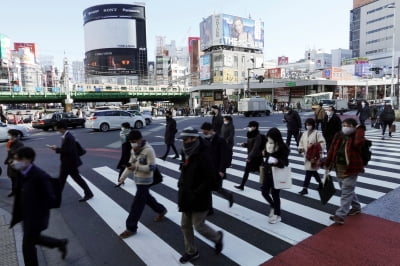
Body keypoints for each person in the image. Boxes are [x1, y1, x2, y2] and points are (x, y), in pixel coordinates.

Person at [10, 147, 68, 266]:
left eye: (19, 159)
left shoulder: (40, 176)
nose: (15, 162)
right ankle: (60, 243)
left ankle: (60, 243)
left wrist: (35, 209)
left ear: (29, 159)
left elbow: (50, 198)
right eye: (15, 159)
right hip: (26, 216)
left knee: (28, 247)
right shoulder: (21, 172)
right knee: (34, 240)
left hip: (36, 219)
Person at [177, 127, 223, 263]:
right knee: (185, 225)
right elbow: (184, 170)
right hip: (186, 193)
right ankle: (191, 251)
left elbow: (210, 178)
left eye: (186, 139)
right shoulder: (185, 151)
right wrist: (181, 184)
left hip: (199, 196)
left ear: (194, 138)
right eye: (183, 139)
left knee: (198, 225)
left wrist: (196, 192)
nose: (184, 142)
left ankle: (217, 238)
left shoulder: (204, 154)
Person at [119, 130, 167, 238]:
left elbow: (152, 167)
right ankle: (161, 210)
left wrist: (136, 167)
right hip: (138, 180)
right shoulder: (133, 150)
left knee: (137, 205)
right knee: (147, 198)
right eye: (131, 142)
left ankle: (131, 228)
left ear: (140, 139)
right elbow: (130, 165)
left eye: (134, 141)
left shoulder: (148, 150)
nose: (133, 144)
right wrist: (122, 177)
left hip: (146, 181)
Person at [324, 118, 365, 225]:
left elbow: (358, 143)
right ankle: (356, 207)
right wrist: (327, 164)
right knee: (347, 189)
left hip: (351, 168)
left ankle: (340, 215)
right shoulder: (339, 135)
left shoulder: (356, 136)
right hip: (339, 167)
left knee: (346, 191)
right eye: (343, 125)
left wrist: (360, 128)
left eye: (346, 125)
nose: (344, 127)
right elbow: (332, 150)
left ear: (352, 126)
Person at [49, 121, 93, 202]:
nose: (57, 130)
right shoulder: (67, 136)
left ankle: (88, 193)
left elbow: (67, 150)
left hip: (69, 163)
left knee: (71, 179)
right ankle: (56, 197)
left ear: (62, 128)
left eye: (57, 128)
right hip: (68, 163)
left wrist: (56, 148)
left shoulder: (68, 137)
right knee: (63, 180)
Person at [200, 122, 234, 209]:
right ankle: (209, 209)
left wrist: (222, 170)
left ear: (211, 130)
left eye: (206, 132)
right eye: (203, 132)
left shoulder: (220, 140)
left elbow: (225, 156)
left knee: (216, 188)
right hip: (209, 168)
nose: (204, 134)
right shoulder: (206, 140)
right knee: (208, 189)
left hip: (217, 168)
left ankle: (228, 195)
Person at [261, 128, 289, 224]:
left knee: (275, 194)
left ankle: (277, 215)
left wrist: (277, 161)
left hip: (277, 173)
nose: (269, 139)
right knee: (264, 192)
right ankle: (273, 206)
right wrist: (265, 154)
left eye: (270, 138)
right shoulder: (269, 145)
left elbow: (285, 162)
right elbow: (267, 157)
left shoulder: (282, 147)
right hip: (267, 172)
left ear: (275, 137)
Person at [298, 118, 326, 195]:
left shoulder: (317, 133)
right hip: (307, 156)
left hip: (314, 156)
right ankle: (320, 183)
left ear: (313, 125)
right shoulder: (304, 133)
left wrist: (313, 145)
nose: (308, 126)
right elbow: (301, 142)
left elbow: (322, 143)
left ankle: (305, 188)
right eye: (306, 124)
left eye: (309, 124)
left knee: (309, 172)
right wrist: (300, 148)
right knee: (313, 171)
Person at [235, 121, 263, 190]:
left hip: (257, 157)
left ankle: (266, 185)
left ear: (255, 127)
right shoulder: (251, 134)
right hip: (252, 155)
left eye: (250, 126)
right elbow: (251, 145)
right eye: (249, 126)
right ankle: (242, 186)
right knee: (247, 171)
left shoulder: (257, 136)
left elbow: (255, 148)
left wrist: (249, 157)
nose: (249, 128)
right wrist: (245, 145)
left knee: (261, 172)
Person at [4, 129, 24, 197]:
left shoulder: (19, 144)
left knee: (17, 178)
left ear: (14, 136)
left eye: (9, 135)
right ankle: (14, 191)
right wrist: (6, 160)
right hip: (10, 163)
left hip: (16, 163)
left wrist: (10, 150)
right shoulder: (10, 142)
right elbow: (9, 154)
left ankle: (19, 191)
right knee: (12, 178)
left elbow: (19, 154)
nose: (8, 136)